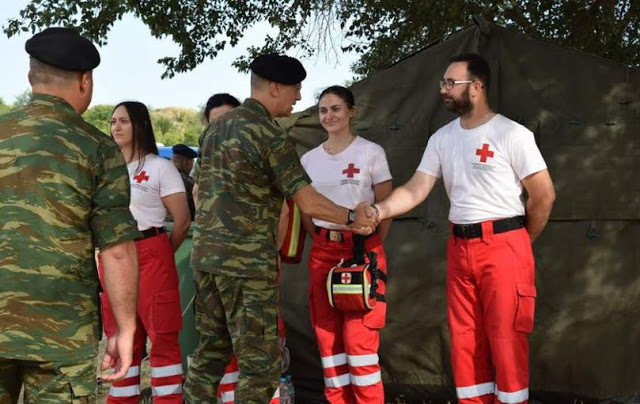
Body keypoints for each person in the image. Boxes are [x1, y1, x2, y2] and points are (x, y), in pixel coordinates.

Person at [362, 53, 556, 404]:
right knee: (465, 340)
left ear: (477, 87)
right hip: (460, 247)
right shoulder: (442, 138)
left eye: (452, 83)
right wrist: (379, 209)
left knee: (506, 340)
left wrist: (520, 243)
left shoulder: (512, 133)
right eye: (443, 83)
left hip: (505, 245)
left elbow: (543, 196)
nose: (444, 90)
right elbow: (417, 188)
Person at [183, 53, 376, 403]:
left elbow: (199, 191)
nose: (299, 98)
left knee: (210, 355)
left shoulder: (214, 129)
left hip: (205, 260)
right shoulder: (269, 135)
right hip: (246, 266)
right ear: (274, 87)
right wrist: (353, 217)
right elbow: (308, 202)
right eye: (295, 89)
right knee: (260, 365)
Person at [0, 27, 139, 403]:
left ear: (30, 77)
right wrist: (125, 330)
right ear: (85, 80)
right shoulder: (98, 149)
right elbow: (117, 250)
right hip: (63, 334)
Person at [300, 85, 393, 404]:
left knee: (359, 339)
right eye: (323, 110)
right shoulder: (309, 159)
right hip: (323, 250)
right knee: (327, 339)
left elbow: (386, 206)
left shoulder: (371, 152)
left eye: (336, 108)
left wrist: (370, 243)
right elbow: (305, 211)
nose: (329, 115)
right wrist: (327, 237)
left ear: (352, 112)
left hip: (363, 252)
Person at [100, 101, 191, 403]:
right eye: (113, 121)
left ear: (139, 125)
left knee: (162, 336)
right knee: (120, 337)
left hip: (151, 251)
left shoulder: (160, 167)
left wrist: (162, 251)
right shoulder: (106, 170)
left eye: (124, 121)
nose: (116, 127)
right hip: (113, 255)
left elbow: (182, 220)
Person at [193, 93, 242, 206]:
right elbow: (197, 191)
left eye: (229, 120)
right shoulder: (206, 147)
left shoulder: (256, 144)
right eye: (215, 123)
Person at [171, 143, 198, 220]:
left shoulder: (161, 176)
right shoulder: (188, 182)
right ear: (187, 162)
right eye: (192, 162)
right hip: (184, 225)